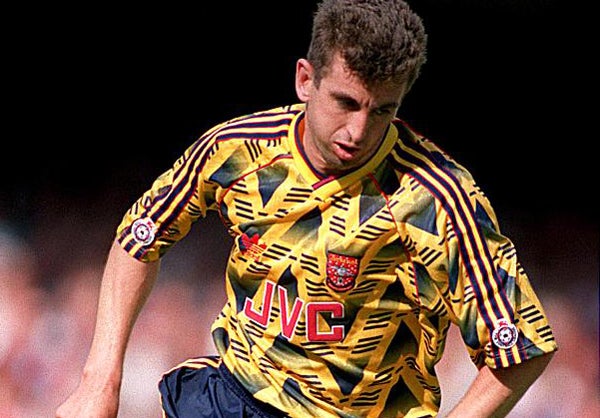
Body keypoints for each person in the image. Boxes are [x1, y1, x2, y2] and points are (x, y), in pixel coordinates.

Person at [56, 0, 558, 417]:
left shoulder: (438, 197)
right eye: (346, 102)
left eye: (382, 111)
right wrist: (100, 379)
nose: (358, 131)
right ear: (305, 79)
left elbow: (520, 349)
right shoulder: (238, 149)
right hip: (232, 398)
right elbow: (139, 239)